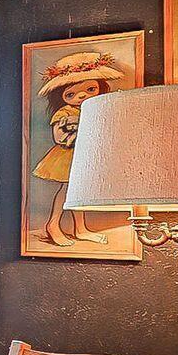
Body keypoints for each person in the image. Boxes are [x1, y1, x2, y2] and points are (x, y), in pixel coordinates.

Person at [32, 51, 123, 247]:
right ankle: (53, 224)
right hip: (68, 156)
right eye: (71, 94)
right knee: (68, 190)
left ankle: (80, 228)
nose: (81, 96)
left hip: (85, 156)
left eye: (90, 89)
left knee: (78, 192)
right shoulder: (66, 112)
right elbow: (60, 136)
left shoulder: (96, 109)